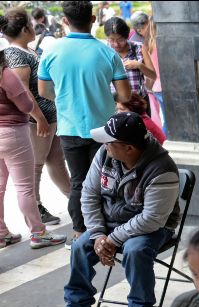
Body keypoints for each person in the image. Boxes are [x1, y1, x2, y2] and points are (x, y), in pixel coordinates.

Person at [46, 112, 179, 307]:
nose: (104, 145)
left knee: (136, 250)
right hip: (110, 223)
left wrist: (112, 240)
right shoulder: (105, 154)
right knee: (80, 246)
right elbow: (89, 194)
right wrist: (99, 235)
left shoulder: (162, 169)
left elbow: (152, 218)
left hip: (152, 227)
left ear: (129, 148)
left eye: (109, 141)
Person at [38, 1, 131, 248]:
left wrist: (66, 98)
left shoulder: (51, 52)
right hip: (104, 129)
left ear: (65, 21)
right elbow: (125, 95)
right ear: (93, 19)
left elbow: (44, 91)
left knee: (79, 181)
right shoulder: (107, 53)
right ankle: (111, 229)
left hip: (70, 128)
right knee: (108, 178)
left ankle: (79, 233)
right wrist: (104, 96)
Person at [2, 8, 70, 226]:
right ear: (24, 29)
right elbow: (23, 90)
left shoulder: (25, 50)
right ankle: (37, 209)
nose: (34, 28)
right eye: (30, 25)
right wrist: (39, 118)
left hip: (48, 118)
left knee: (57, 162)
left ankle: (76, 200)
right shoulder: (16, 55)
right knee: (36, 166)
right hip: (38, 121)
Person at [104, 17, 155, 99]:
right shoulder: (104, 52)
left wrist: (139, 65)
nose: (116, 44)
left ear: (126, 36)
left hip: (139, 101)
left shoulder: (138, 47)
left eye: (120, 40)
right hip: (116, 102)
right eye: (111, 40)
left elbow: (153, 75)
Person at [143, 16, 165, 135]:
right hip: (163, 86)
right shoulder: (159, 45)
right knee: (170, 121)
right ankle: (165, 141)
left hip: (156, 86)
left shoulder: (149, 45)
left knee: (166, 119)